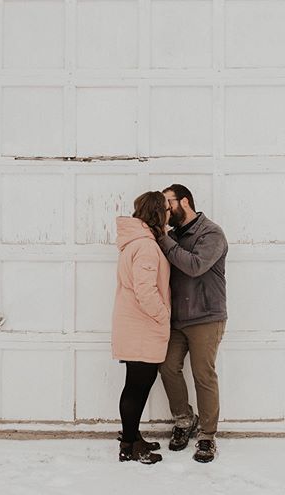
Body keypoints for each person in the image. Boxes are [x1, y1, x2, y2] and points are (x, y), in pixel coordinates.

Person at [157, 184, 228, 463]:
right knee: (167, 366)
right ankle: (185, 420)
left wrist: (163, 238)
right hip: (177, 319)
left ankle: (208, 437)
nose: (165, 210)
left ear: (184, 202)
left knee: (203, 374)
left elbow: (195, 266)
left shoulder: (211, 232)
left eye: (168, 203)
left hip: (206, 317)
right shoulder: (173, 236)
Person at [111, 191, 172, 464]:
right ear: (158, 213)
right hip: (143, 327)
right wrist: (163, 316)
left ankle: (133, 438)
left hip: (135, 325)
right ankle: (129, 445)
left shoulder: (135, 242)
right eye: (166, 211)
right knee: (137, 388)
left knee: (135, 387)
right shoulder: (146, 246)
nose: (169, 215)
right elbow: (145, 290)